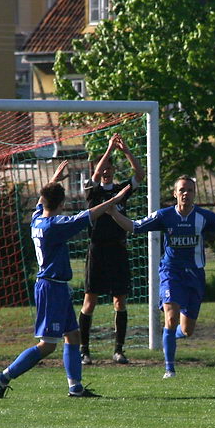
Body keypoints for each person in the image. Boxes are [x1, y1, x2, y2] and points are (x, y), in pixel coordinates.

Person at [0, 160, 130, 399]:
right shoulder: (56, 226)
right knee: (47, 345)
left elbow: (43, 199)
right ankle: (3, 377)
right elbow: (89, 214)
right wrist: (114, 201)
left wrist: (54, 179)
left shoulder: (37, 218)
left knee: (72, 336)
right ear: (62, 204)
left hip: (56, 287)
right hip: (50, 288)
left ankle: (75, 388)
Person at [110, 175, 215, 378]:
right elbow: (135, 227)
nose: (186, 193)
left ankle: (170, 337)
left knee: (187, 330)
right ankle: (169, 368)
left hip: (195, 275)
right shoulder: (164, 215)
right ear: (175, 193)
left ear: (195, 194)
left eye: (190, 190)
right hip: (171, 272)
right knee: (171, 317)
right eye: (182, 190)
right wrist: (112, 212)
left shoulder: (204, 217)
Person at [78, 133, 144, 366]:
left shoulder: (122, 191)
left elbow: (139, 174)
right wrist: (107, 150)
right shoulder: (92, 190)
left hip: (118, 250)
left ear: (114, 170)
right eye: (103, 166)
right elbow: (95, 175)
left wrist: (125, 150)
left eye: (109, 167)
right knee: (90, 301)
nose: (106, 170)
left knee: (120, 301)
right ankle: (84, 350)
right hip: (97, 251)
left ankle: (118, 350)